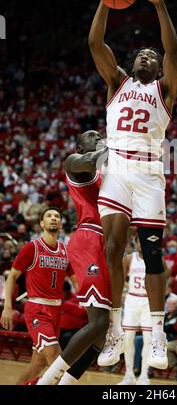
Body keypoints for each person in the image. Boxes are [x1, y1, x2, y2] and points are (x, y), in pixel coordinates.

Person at [89, 0, 177, 369]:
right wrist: (105, 0)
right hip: (117, 168)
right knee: (111, 249)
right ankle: (114, 326)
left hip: (147, 172)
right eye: (142, 53)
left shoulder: (165, 89)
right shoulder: (118, 83)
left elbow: (173, 52)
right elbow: (95, 41)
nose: (148, 55)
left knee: (151, 252)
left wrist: (159, 4)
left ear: (158, 69)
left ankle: (157, 333)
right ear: (133, 63)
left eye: (152, 56)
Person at [37, 130, 112, 385]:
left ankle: (65, 383)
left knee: (103, 330)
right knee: (98, 321)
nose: (98, 136)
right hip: (88, 238)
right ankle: (47, 381)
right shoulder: (74, 161)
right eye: (92, 136)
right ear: (80, 147)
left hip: (107, 242)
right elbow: (92, 161)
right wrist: (114, 146)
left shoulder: (107, 173)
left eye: (99, 134)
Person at [0, 207, 76, 384]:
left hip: (56, 310)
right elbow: (12, 276)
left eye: (57, 216)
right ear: (42, 223)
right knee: (57, 360)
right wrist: (8, 307)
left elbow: (76, 282)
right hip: (37, 309)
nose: (53, 218)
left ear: (61, 224)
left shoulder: (66, 251)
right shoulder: (32, 247)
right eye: (49, 216)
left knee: (38, 364)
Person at [118, 237, 152, 386]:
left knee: (149, 340)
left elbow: (166, 276)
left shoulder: (156, 259)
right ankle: (129, 375)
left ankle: (144, 376)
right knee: (128, 339)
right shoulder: (129, 259)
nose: (141, 244)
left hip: (148, 301)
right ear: (136, 243)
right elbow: (120, 278)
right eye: (139, 241)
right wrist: (122, 293)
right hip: (132, 299)